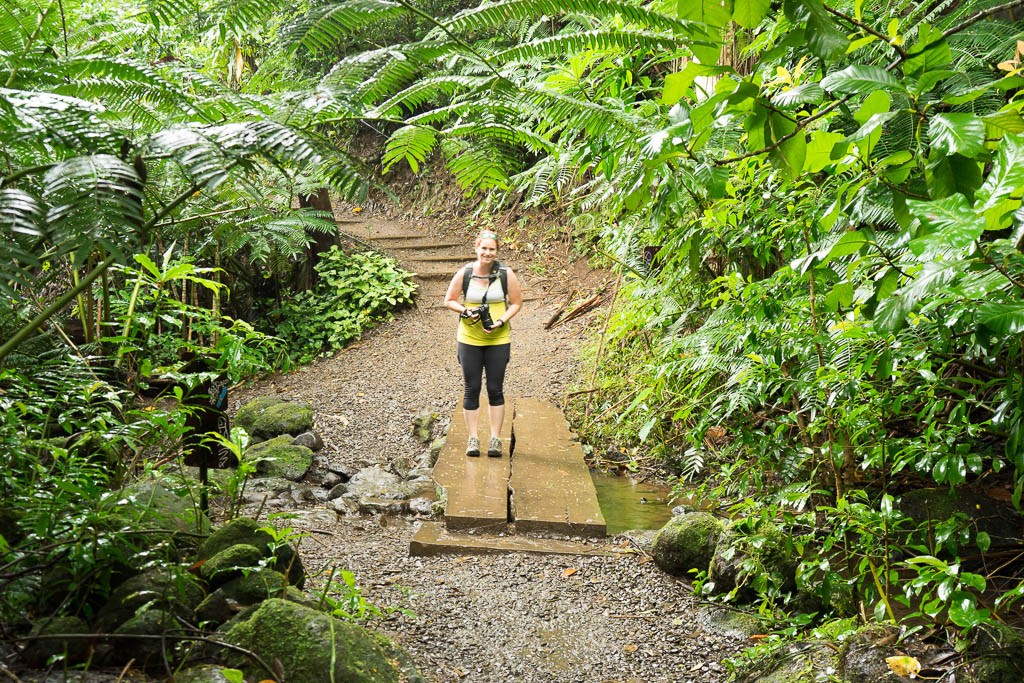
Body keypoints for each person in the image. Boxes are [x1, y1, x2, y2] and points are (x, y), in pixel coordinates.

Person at [443, 229, 523, 457]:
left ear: (497, 252)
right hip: (469, 338)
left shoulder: (506, 274)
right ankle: (473, 439)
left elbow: (517, 303)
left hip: (498, 338)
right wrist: (466, 310)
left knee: (495, 389)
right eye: (484, 248)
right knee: (472, 388)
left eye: (492, 249)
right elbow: (448, 300)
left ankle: (495, 439)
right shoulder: (465, 273)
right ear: (476, 248)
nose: (487, 253)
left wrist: (501, 320)